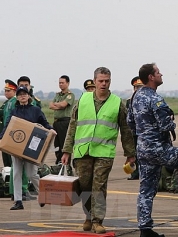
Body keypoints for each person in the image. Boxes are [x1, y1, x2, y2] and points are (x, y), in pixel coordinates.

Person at [128, 63, 178, 237]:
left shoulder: (135, 97)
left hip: (143, 149)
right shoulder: (155, 98)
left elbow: (130, 123)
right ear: (151, 77)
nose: (161, 74)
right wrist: (171, 119)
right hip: (159, 148)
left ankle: (145, 229)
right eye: (158, 72)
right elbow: (166, 125)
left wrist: (143, 134)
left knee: (146, 190)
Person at [61, 67, 136, 234]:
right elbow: (72, 126)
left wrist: (130, 154)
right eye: (100, 81)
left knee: (99, 186)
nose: (104, 84)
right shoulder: (83, 100)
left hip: (104, 152)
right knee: (84, 185)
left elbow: (126, 130)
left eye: (107, 81)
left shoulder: (117, 103)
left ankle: (97, 221)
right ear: (94, 81)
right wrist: (66, 150)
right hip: (83, 151)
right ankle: (88, 216)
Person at [0, 86, 54, 210]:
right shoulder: (14, 111)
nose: (22, 96)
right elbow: (7, 125)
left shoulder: (35, 110)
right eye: (20, 94)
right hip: (16, 147)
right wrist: (1, 138)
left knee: (31, 174)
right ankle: (18, 201)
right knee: (17, 173)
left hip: (31, 148)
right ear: (17, 97)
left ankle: (43, 195)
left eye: (24, 94)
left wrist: (51, 129)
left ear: (28, 96)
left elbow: (45, 123)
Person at [49, 75, 75, 166]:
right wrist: (58, 105)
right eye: (59, 83)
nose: (60, 84)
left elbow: (64, 105)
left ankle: (66, 164)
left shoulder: (70, 95)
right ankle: (58, 162)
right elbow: (50, 105)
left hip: (65, 122)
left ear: (67, 83)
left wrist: (57, 105)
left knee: (65, 144)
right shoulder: (57, 95)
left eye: (62, 83)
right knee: (57, 144)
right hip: (56, 122)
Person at [126, 76, 143, 181]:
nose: (138, 89)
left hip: (143, 131)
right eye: (137, 87)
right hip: (133, 131)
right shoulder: (129, 101)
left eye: (140, 87)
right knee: (133, 153)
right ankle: (134, 174)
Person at [0, 79, 17, 167]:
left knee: (11, 158)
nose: (6, 93)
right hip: (5, 131)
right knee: (5, 156)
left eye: (8, 91)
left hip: (11, 132)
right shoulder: (7, 102)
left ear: (14, 91)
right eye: (5, 91)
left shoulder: (14, 102)